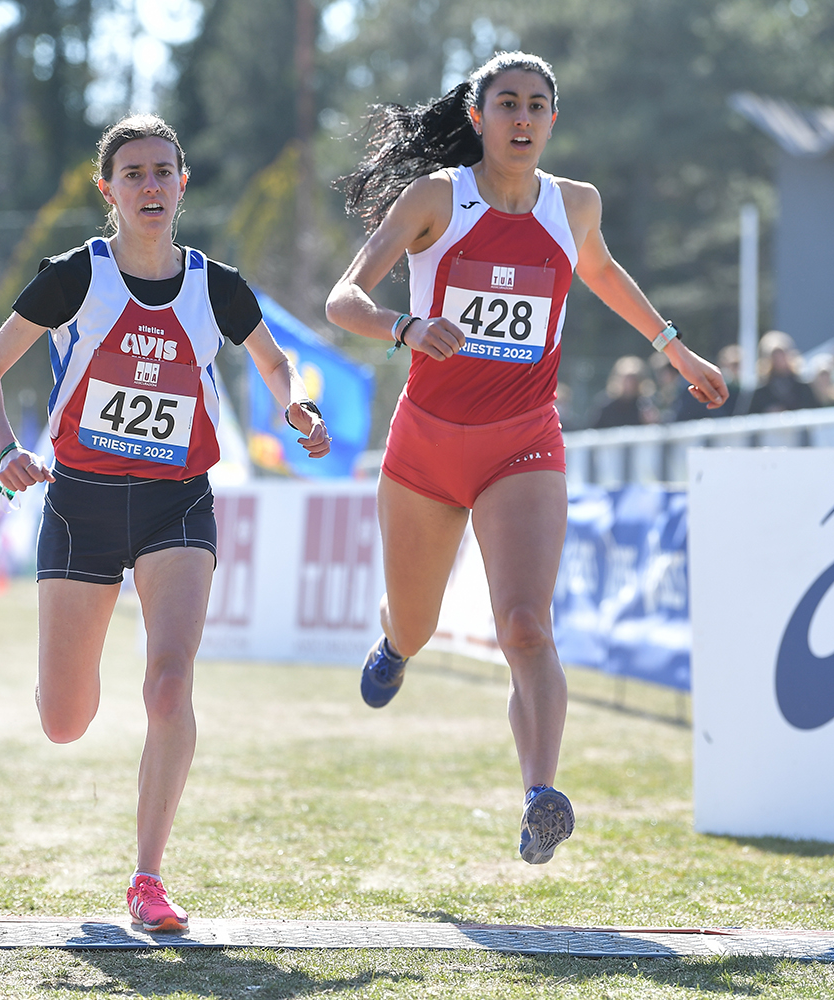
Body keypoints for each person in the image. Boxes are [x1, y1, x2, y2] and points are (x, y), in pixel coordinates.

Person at [325, 51, 726, 865]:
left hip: (523, 443)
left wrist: (675, 350)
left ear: (552, 120)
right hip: (427, 447)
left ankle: (541, 794)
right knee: (417, 622)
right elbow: (343, 299)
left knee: (526, 625)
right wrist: (406, 327)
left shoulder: (574, 205)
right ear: (478, 117)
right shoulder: (436, 197)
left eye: (537, 105)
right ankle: (395, 646)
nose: (521, 118)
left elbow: (602, 272)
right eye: (506, 103)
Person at [0, 114, 330, 933]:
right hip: (81, 504)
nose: (151, 186)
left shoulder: (216, 287)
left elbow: (274, 362)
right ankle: (56, 678)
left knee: (169, 685)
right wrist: (6, 451)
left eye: (163, 171)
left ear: (183, 183)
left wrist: (296, 405)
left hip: (178, 502)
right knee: (66, 721)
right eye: (132, 174)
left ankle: (148, 877)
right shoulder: (75, 278)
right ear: (109, 190)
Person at [746, 331, 818, 414]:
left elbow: (813, 410)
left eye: (781, 354)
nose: (779, 359)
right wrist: (767, 412)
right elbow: (748, 414)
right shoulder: (760, 390)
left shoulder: (802, 386)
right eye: (775, 355)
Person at [591, 355, 658, 427]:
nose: (630, 384)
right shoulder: (606, 405)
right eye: (627, 380)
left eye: (634, 380)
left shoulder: (645, 405)